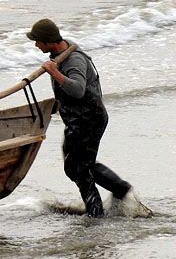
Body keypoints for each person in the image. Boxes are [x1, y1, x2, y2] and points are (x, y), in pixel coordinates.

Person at [27, 18, 132, 218]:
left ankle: (96, 211)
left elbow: (77, 90)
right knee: (77, 165)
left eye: (38, 41)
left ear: (48, 41)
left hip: (89, 119)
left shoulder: (74, 60)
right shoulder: (60, 52)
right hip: (78, 119)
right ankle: (117, 190)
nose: (36, 45)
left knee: (79, 168)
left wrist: (54, 72)